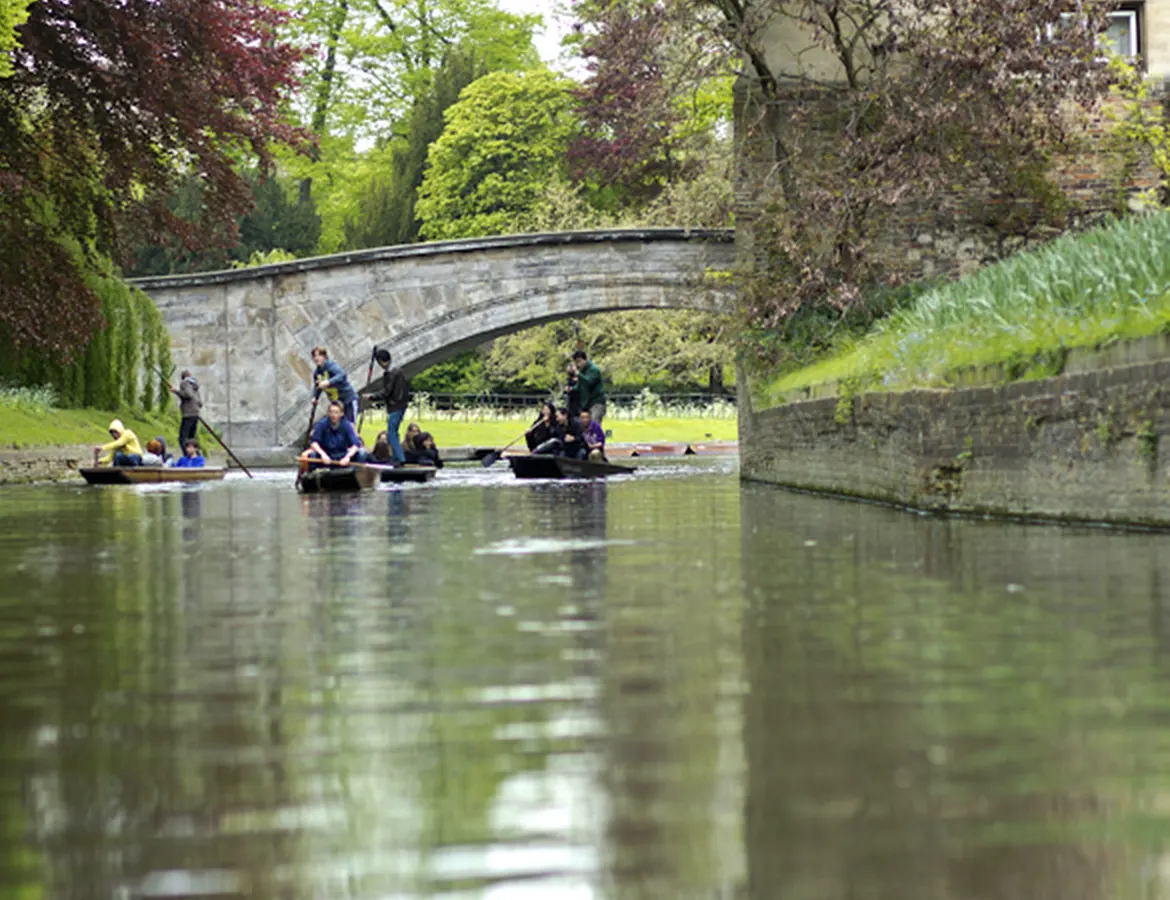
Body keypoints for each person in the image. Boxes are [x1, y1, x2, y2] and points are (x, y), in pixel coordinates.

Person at [359, 348, 411, 463]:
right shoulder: (396, 371)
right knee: (393, 432)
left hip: (396, 405)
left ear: (381, 361)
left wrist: (371, 396)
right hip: (400, 404)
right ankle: (396, 457)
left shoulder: (391, 373)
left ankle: (400, 459)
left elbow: (387, 392)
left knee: (391, 433)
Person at [307, 400, 369, 469]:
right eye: (331, 412)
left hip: (342, 456)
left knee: (362, 453)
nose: (333, 415)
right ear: (328, 413)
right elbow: (314, 442)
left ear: (341, 414)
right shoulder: (322, 424)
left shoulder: (346, 425)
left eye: (336, 412)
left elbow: (356, 444)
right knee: (312, 454)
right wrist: (323, 454)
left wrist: (347, 457)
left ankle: (352, 472)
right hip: (326, 456)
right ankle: (315, 473)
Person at [311, 346, 359, 424]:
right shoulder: (317, 373)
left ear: (324, 356)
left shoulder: (331, 366)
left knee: (350, 426)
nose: (316, 358)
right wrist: (315, 397)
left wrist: (328, 382)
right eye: (314, 356)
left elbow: (342, 375)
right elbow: (318, 386)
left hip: (348, 400)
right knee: (338, 426)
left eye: (319, 355)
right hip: (337, 404)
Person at [572, 350, 606, 424]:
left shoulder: (594, 369)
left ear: (585, 360)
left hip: (596, 402)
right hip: (587, 404)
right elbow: (580, 386)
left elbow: (589, 382)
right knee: (585, 426)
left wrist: (579, 375)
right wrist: (571, 388)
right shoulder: (582, 371)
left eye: (579, 361)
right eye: (576, 362)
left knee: (594, 424)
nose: (578, 364)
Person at [174, 370, 202, 450]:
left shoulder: (185, 383)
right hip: (196, 413)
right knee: (191, 438)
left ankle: (187, 454)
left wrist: (176, 391)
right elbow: (200, 403)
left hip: (188, 414)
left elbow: (188, 395)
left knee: (183, 438)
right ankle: (195, 455)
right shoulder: (194, 385)